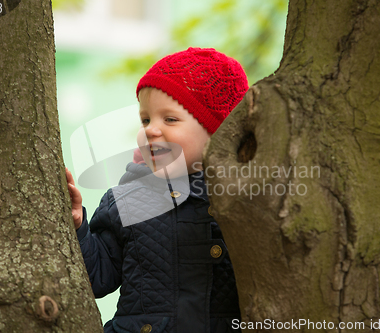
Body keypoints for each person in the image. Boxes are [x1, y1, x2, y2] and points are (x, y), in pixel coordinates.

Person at [66, 47, 249, 333]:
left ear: (219, 132)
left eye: (170, 119)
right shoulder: (126, 199)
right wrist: (77, 226)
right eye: (146, 119)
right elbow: (96, 279)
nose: (151, 130)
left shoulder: (244, 201)